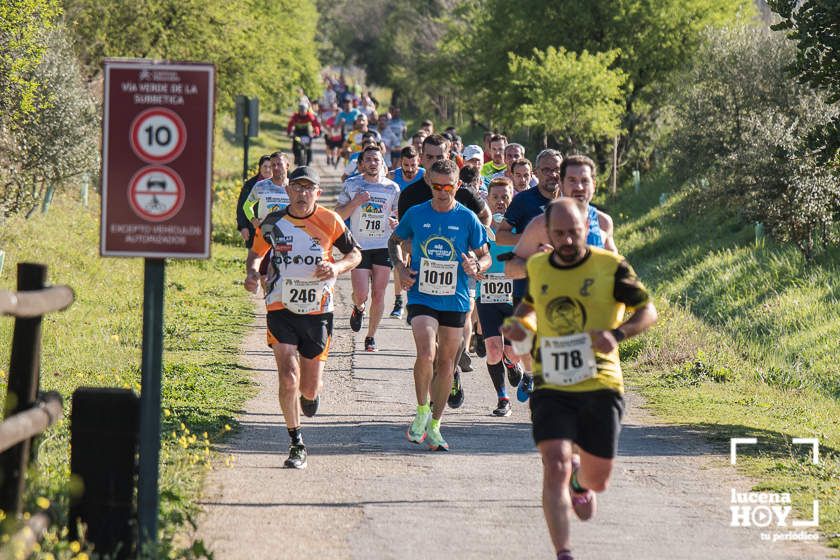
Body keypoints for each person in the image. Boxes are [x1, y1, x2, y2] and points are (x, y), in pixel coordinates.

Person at [501, 198, 657, 560]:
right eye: (560, 234)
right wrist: (517, 324)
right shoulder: (539, 266)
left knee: (597, 478)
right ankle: (564, 552)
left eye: (575, 232)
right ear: (548, 233)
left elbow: (647, 310)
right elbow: (529, 307)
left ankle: (579, 479)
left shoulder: (610, 266)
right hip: (551, 380)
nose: (568, 240)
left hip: (601, 381)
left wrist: (617, 335)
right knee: (553, 461)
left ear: (587, 229)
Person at [244, 166, 362, 469]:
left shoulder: (329, 220)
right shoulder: (273, 222)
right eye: (297, 187)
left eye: (308, 188)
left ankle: (309, 398)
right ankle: (296, 442)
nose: (302, 193)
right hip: (280, 306)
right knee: (287, 375)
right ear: (288, 191)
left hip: (318, 310)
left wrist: (335, 268)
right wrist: (252, 273)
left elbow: (355, 255)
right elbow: (256, 253)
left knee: (308, 387)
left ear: (317, 193)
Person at [389, 159, 491, 451]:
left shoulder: (468, 218)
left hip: (455, 298)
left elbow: (485, 256)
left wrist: (476, 264)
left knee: (447, 363)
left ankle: (435, 423)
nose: (442, 192)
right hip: (422, 294)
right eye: (437, 186)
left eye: (448, 187)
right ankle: (422, 410)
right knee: (426, 351)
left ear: (458, 186)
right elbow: (395, 241)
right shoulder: (416, 213)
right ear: (429, 184)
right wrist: (400, 266)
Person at [496, 148, 564, 400]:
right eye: (546, 170)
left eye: (556, 169)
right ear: (537, 173)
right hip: (526, 284)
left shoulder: (571, 202)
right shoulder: (524, 201)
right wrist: (530, 241)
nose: (552, 175)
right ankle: (530, 374)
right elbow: (501, 234)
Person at [335, 147, 401, 352]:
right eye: (369, 160)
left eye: (377, 160)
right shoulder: (352, 184)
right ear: (362, 164)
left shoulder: (392, 188)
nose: (373, 163)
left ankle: (371, 336)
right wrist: (356, 202)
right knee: (361, 293)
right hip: (359, 246)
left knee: (379, 294)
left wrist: (395, 222)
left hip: (383, 245)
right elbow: (338, 214)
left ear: (383, 163)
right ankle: (358, 307)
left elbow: (398, 215)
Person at [476, 178, 523, 416]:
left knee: (512, 352)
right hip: (486, 294)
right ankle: (503, 398)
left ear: (512, 197)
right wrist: (474, 270)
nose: (501, 202)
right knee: (494, 349)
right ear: (487, 199)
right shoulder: (479, 227)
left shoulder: (519, 226)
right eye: (495, 197)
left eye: (505, 197)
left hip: (514, 294)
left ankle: (513, 363)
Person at [388, 146, 424, 319]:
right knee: (400, 262)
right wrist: (390, 217)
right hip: (401, 225)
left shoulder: (425, 176)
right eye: (406, 165)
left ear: (419, 162)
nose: (409, 170)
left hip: (420, 225)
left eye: (413, 165)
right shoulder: (392, 176)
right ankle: (398, 301)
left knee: (416, 265)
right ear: (400, 162)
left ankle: (414, 303)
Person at [242, 152, 291, 230]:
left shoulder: (294, 187)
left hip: (288, 233)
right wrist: (253, 220)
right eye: (273, 165)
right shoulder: (260, 186)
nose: (276, 168)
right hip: (264, 234)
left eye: (279, 164)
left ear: (287, 166)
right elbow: (247, 206)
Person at [237, 154, 272, 248]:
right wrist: (243, 227)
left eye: (270, 167)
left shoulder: (281, 186)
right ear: (260, 167)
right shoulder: (250, 184)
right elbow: (242, 207)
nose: (267, 169)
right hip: (253, 228)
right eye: (265, 166)